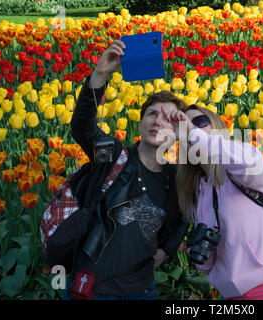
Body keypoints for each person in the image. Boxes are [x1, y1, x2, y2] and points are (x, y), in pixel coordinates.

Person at [43, 39, 189, 300]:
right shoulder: (113, 156)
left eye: (168, 118)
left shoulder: (176, 177)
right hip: (95, 286)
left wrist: (167, 250)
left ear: (178, 132)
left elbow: (184, 217)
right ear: (142, 123)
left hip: (142, 289)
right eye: (151, 114)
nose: (158, 121)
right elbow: (82, 128)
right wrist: (100, 74)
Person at [167, 104, 263, 300]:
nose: (192, 128)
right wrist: (200, 251)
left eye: (199, 122)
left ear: (216, 128)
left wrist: (194, 134)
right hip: (232, 295)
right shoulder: (198, 191)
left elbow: (251, 160)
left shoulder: (241, 172)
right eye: (184, 129)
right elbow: (212, 264)